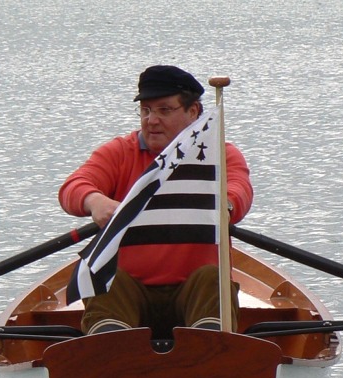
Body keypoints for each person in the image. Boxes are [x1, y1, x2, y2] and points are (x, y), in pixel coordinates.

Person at [59, 65, 254, 336]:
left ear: (193, 112)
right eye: (146, 110)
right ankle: (111, 347)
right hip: (128, 294)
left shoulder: (219, 154)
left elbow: (239, 190)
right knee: (103, 276)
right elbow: (72, 188)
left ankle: (210, 347)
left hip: (194, 293)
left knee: (212, 277)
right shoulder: (118, 153)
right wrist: (94, 201)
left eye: (164, 110)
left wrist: (226, 206)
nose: (151, 120)